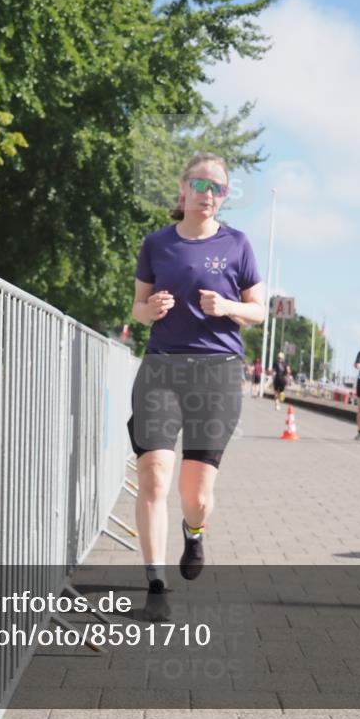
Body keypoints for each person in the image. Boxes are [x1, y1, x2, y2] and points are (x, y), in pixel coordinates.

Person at [129, 152, 264, 620]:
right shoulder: (157, 243)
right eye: (202, 185)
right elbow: (137, 309)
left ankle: (194, 531)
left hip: (217, 374)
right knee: (153, 476)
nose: (209, 195)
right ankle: (156, 586)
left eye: (219, 188)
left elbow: (258, 310)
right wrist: (153, 310)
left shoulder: (238, 245)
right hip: (162, 368)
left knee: (196, 495)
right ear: (184, 189)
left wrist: (227, 307)